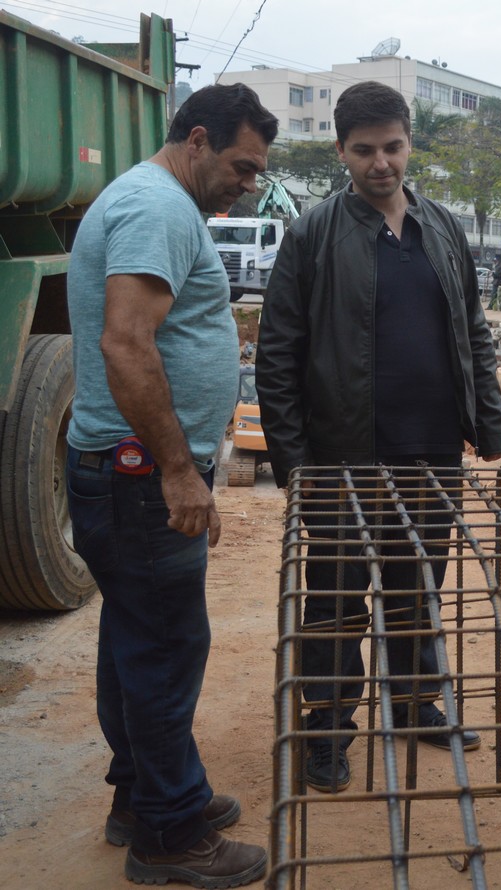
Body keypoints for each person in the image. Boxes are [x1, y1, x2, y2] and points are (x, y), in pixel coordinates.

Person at [256, 81, 501, 794]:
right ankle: (329, 729)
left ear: (409, 143)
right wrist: (297, 466)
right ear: (341, 150)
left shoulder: (442, 228)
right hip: (343, 453)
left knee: (418, 584)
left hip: (432, 449)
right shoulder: (313, 234)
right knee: (336, 598)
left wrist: (489, 421)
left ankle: (415, 704)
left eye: (393, 147)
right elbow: (278, 355)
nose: (381, 164)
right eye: (364, 150)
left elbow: (472, 331)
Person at [65, 84, 277, 886]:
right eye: (242, 166)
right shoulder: (156, 207)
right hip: (141, 474)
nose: (248, 185)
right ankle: (171, 833)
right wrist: (179, 471)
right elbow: (126, 344)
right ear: (196, 141)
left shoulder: (158, 202)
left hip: (131, 468)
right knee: (164, 645)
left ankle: (141, 797)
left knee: (136, 636)